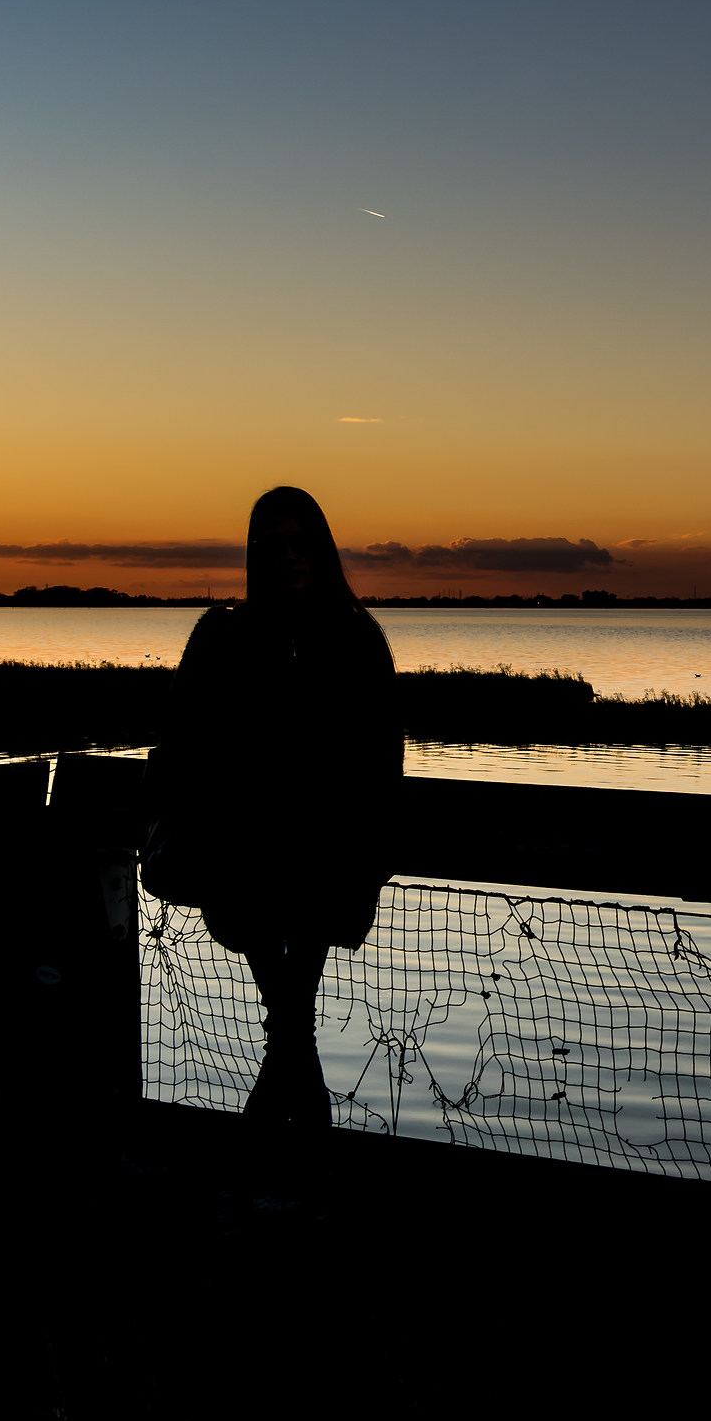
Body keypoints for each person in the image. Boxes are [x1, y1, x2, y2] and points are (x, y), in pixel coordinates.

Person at [150, 486, 403, 1153]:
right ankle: (297, 1183)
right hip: (242, 863)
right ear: (255, 555)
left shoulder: (356, 642)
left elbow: (380, 769)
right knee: (293, 1025)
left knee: (289, 1026)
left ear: (321, 550)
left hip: (326, 864)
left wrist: (364, 860)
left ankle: (266, 1177)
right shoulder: (223, 636)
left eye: (300, 543)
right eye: (273, 545)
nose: (288, 557)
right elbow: (182, 747)